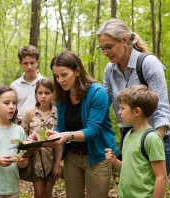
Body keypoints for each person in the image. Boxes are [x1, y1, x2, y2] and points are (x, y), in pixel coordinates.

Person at [96, 18, 170, 175]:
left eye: (109, 47)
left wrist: (149, 143)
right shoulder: (109, 69)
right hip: (129, 138)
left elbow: (162, 109)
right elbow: (103, 103)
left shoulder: (149, 63)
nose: (105, 53)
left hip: (155, 138)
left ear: (124, 40)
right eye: (102, 48)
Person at [46, 51, 118, 198]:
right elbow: (61, 126)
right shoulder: (62, 96)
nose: (60, 80)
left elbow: (93, 130)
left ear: (77, 71)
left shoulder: (97, 93)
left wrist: (67, 135)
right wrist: (53, 134)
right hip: (72, 157)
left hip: (98, 157)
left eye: (64, 75)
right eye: (56, 76)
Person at [105, 85, 167, 198]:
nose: (119, 112)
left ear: (137, 111)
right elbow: (128, 168)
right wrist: (115, 161)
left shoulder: (151, 138)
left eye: (123, 108)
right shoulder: (128, 135)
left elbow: (161, 177)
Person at [21, 78, 61, 198]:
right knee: (39, 194)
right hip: (35, 161)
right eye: (40, 93)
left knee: (48, 193)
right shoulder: (29, 113)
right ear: (36, 94)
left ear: (53, 94)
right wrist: (31, 140)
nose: (43, 96)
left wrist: (58, 165)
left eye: (47, 93)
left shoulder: (58, 113)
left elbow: (60, 142)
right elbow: (22, 138)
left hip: (52, 159)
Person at [10, 45, 43, 122]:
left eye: (32, 63)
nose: (29, 67)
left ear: (37, 62)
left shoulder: (45, 83)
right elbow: (10, 107)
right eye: (25, 63)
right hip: (19, 125)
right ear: (20, 63)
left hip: (41, 125)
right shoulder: (14, 85)